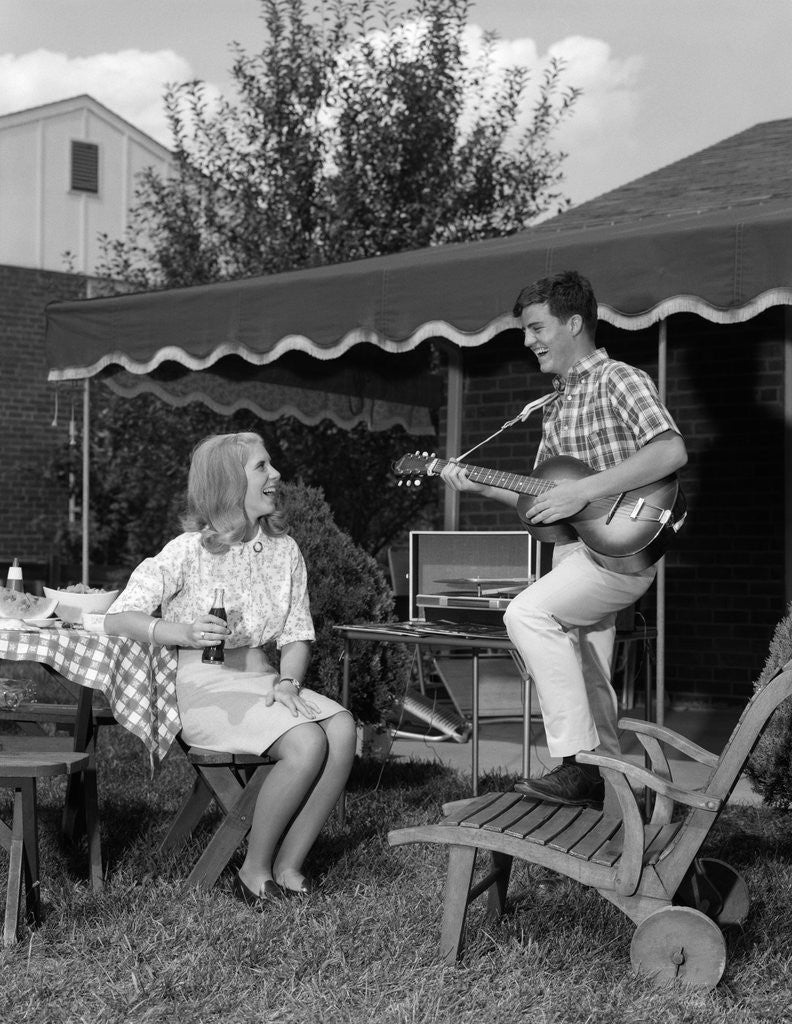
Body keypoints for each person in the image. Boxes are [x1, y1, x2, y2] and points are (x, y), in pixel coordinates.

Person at [440, 270, 687, 810]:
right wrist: (478, 483)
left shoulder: (621, 379)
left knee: (525, 615)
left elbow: (670, 451)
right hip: (572, 554)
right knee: (592, 685)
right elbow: (542, 503)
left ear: (574, 322)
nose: (527, 341)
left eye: (535, 328)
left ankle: (576, 764)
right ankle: (627, 801)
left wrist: (587, 492)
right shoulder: (552, 406)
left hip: (618, 556)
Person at [105, 432, 356, 904]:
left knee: (342, 728)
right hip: (203, 686)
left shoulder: (285, 552)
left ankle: (289, 864)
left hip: (264, 678)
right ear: (227, 483)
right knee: (307, 741)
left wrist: (288, 682)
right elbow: (120, 616)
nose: (276, 475)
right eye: (261, 467)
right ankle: (253, 868)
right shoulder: (186, 551)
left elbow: (297, 634)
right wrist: (179, 632)